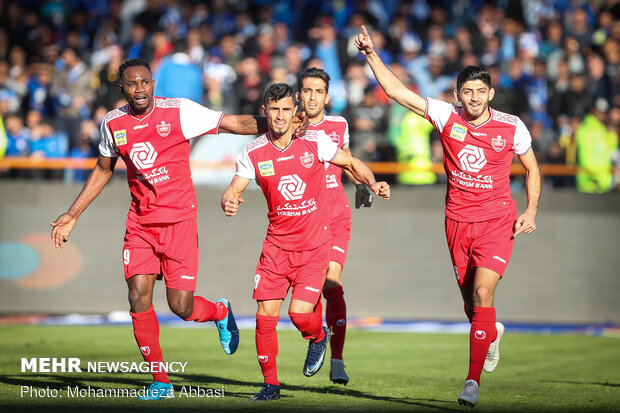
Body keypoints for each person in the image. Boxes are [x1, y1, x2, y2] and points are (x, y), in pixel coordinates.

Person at [49, 58, 307, 400]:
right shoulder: (113, 123)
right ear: (122, 88)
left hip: (179, 223)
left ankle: (219, 311)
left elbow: (233, 123)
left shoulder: (179, 112)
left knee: (181, 307)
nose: (139, 89)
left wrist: (279, 123)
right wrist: (72, 214)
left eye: (144, 82)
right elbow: (103, 169)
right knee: (138, 297)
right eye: (132, 84)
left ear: (153, 83)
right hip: (140, 224)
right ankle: (161, 382)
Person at [355, 26, 541, 408]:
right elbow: (396, 92)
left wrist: (531, 209)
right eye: (467, 92)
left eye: (480, 92)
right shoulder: (446, 115)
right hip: (456, 222)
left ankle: (471, 383)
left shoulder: (511, 126)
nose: (474, 98)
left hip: (496, 221)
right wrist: (371, 53)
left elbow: (532, 168)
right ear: (458, 95)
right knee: (473, 308)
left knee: (483, 291)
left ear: (490, 94)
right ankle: (491, 331)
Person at [221, 83, 390, 401]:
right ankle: (271, 384)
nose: (280, 116)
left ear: (295, 111)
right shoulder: (253, 152)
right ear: (265, 112)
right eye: (274, 109)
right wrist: (228, 200)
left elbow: (351, 162)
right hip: (275, 249)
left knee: (299, 315)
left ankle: (318, 335)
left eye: (286, 109)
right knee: (264, 316)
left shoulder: (315, 142)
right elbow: (234, 189)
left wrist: (373, 181)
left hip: (313, 248)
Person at [296, 67, 373, 385]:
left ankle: (338, 359)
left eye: (318, 91)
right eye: (307, 90)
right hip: (302, 220)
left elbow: (348, 159)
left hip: (335, 214)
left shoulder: (339, 124)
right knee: (308, 297)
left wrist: (362, 184)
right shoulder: (288, 126)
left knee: (332, 282)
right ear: (298, 94)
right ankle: (319, 337)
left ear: (327, 97)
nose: (312, 96)